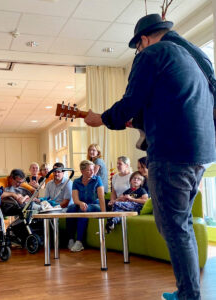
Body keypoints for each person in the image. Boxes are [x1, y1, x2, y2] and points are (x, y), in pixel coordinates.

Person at [84, 13, 216, 300]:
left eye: (137, 47)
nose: (138, 52)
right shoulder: (190, 57)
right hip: (202, 152)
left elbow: (131, 101)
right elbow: (166, 105)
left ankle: (189, 295)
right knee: (180, 223)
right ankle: (188, 291)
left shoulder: (152, 53)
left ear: (143, 39)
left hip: (172, 152)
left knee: (172, 225)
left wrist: (102, 119)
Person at [66, 160, 105, 252]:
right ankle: (71, 239)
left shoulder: (97, 179)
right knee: (71, 208)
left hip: (95, 205)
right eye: (89, 170)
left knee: (84, 209)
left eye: (92, 169)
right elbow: (75, 199)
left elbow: (101, 198)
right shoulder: (76, 182)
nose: (92, 172)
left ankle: (79, 242)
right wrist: (80, 203)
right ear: (82, 171)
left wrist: (104, 214)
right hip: (81, 204)